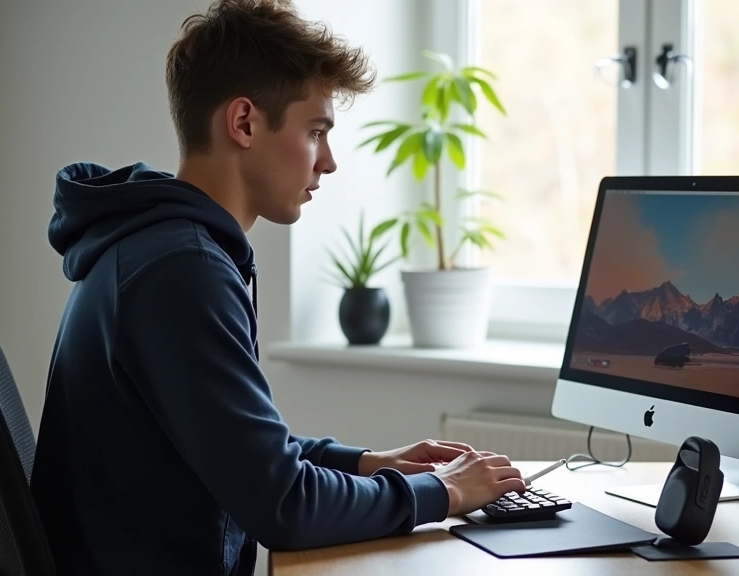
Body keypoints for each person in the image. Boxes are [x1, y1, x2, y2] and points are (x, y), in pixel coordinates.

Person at [29, 1, 526, 574]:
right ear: (243, 123)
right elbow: (283, 504)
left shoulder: (166, 249)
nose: (330, 162)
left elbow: (250, 457)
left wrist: (369, 464)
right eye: (316, 131)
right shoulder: (181, 270)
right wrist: (446, 494)